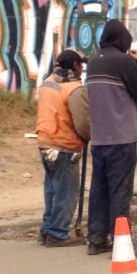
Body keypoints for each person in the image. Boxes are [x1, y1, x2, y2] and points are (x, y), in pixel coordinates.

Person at [84, 20, 137, 255]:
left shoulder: (93, 62)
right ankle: (121, 243)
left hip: (100, 137)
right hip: (122, 136)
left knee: (99, 190)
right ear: (123, 40)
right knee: (120, 192)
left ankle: (96, 240)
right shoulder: (123, 61)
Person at [35, 49, 92, 246]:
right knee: (66, 192)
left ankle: (46, 231)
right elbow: (83, 123)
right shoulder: (74, 89)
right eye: (81, 65)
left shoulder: (48, 81)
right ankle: (58, 233)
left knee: (52, 189)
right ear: (75, 66)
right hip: (64, 145)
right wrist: (88, 137)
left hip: (45, 141)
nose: (82, 69)